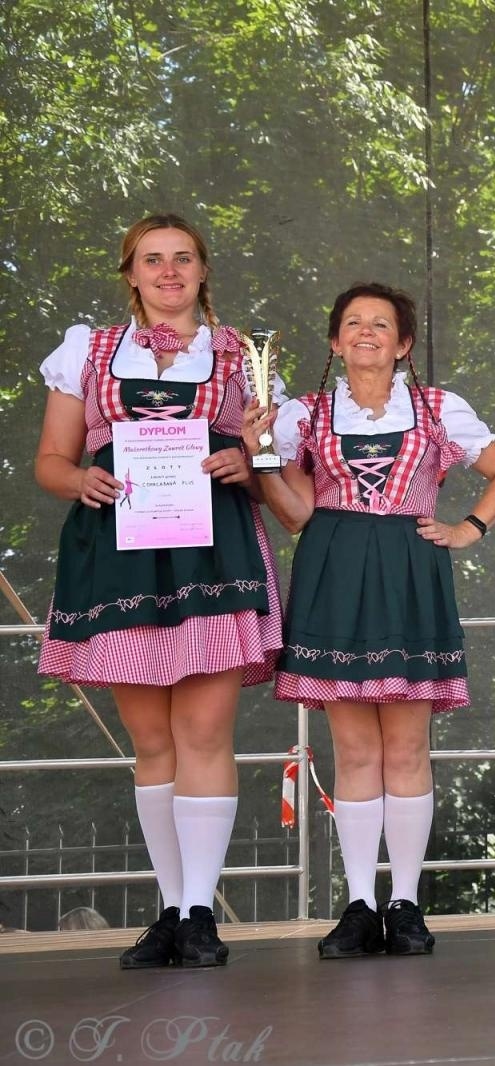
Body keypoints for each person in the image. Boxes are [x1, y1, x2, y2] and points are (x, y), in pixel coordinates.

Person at [244, 282, 495, 958]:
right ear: (336, 341)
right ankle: (360, 903)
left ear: (403, 344)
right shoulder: (304, 415)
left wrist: (469, 529)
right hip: (333, 572)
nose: (366, 332)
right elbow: (295, 513)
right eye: (352, 323)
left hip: (408, 572)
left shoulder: (437, 408)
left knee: (405, 746)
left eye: (382, 324)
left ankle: (405, 902)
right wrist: (258, 454)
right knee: (355, 750)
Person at [34, 213, 283, 969]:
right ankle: (171, 909)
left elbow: (269, 456)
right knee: (151, 742)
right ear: (131, 273)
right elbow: (50, 460)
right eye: (152, 260)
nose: (168, 272)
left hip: (213, 553)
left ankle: (201, 912)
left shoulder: (242, 354)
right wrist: (81, 478)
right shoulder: (88, 350)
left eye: (183, 259)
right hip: (120, 552)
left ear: (203, 272)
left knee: (204, 734)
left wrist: (248, 462)